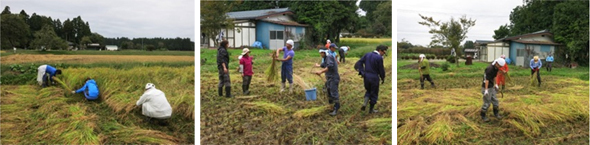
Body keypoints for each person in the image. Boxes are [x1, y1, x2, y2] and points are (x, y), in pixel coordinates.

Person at [355, 45, 387, 113]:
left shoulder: (367, 54)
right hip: (374, 77)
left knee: (368, 90)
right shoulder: (379, 58)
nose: (383, 54)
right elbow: (381, 69)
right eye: (383, 52)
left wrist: (362, 71)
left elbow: (359, 62)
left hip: (366, 76)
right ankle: (371, 109)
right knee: (374, 92)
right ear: (380, 50)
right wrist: (382, 77)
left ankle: (364, 103)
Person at [316, 47, 340, 116]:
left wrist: (320, 72)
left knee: (333, 92)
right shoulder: (326, 58)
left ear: (323, 52)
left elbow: (329, 66)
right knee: (328, 90)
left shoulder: (329, 57)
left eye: (321, 53)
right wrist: (318, 66)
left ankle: (336, 107)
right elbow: (323, 65)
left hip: (333, 77)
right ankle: (331, 105)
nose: (320, 55)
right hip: (329, 78)